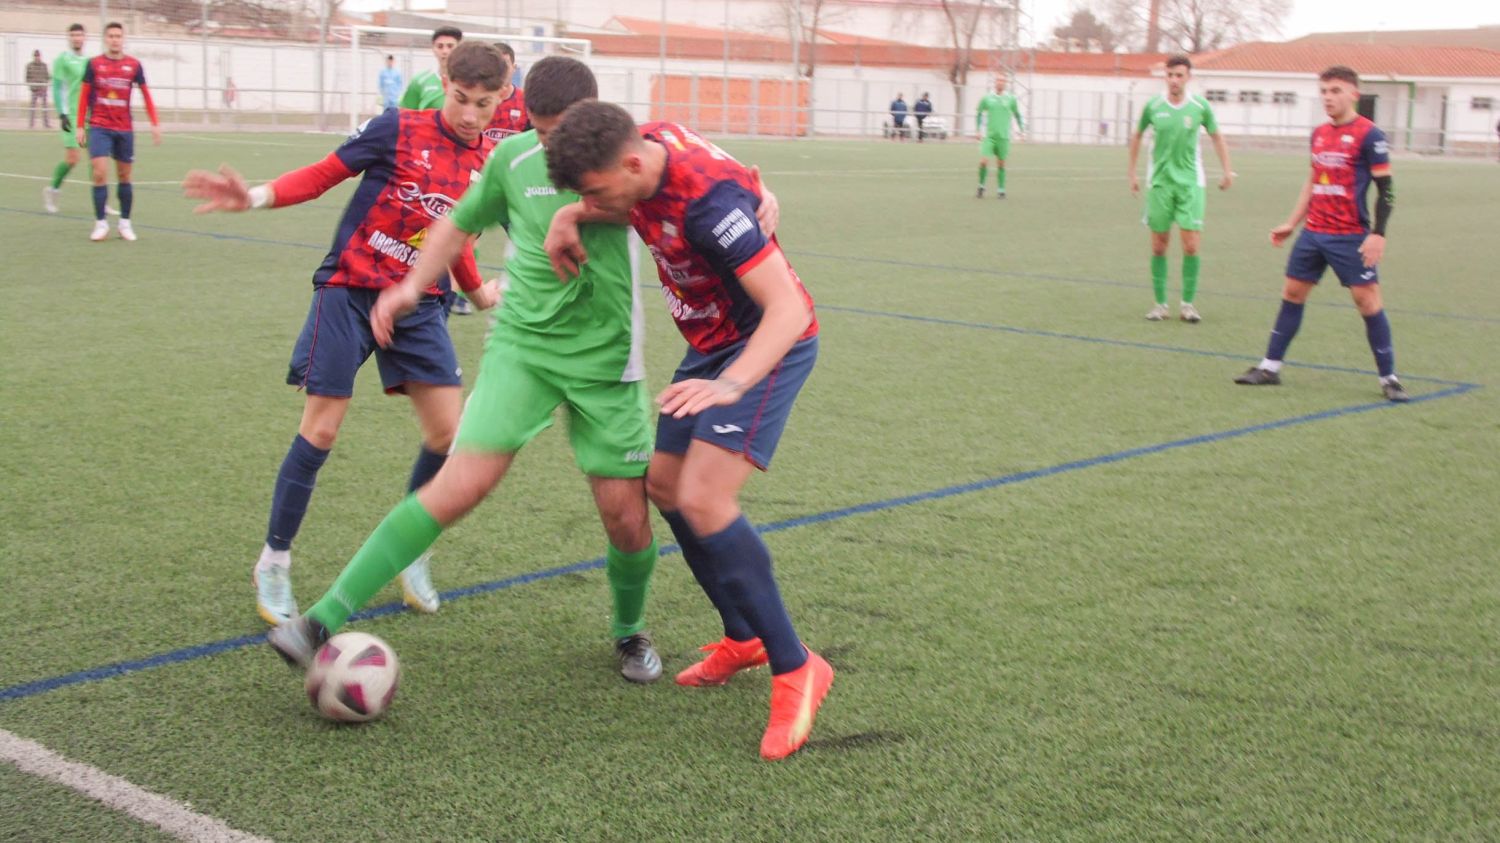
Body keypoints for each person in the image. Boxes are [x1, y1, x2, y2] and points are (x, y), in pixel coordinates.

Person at [263, 56, 772, 686]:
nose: (549, 147)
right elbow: (456, 224)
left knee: (625, 515)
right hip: (522, 350)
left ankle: (629, 630)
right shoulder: (512, 159)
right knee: (457, 486)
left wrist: (759, 192)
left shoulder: (627, 158)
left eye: (558, 132)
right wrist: (410, 286)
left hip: (606, 363)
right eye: (537, 128)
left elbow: (709, 182)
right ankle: (318, 621)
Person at [181, 40, 508, 626]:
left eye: (483, 104)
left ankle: (412, 550)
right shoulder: (396, 128)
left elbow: (456, 233)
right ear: (443, 80)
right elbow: (324, 174)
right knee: (322, 429)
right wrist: (253, 196)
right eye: (461, 99)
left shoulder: (491, 161)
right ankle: (274, 561)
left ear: (502, 98)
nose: (468, 115)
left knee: (447, 437)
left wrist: (478, 290)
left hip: (420, 304)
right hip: (350, 291)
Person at [545, 102, 833, 761]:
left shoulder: (709, 208)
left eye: (594, 190)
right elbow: (733, 173)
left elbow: (787, 308)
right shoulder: (649, 145)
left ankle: (797, 667)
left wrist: (733, 383)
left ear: (633, 163)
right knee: (666, 484)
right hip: (712, 344)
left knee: (705, 496)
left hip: (767, 344)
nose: (596, 203)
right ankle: (742, 637)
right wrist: (571, 213)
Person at [1234, 66, 1408, 403]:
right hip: (1314, 232)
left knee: (1367, 301)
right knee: (1293, 293)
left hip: (1350, 236)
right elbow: (1313, 181)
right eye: (1324, 91)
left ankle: (1390, 378)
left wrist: (1378, 234)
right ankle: (1269, 367)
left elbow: (1387, 189)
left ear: (1353, 94)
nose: (1328, 97)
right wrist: (1292, 222)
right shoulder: (1318, 134)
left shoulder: (1370, 135)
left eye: (1336, 91)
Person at [1127, 54, 1233, 322]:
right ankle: (1160, 304)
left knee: (1191, 245)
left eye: (1179, 75)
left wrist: (1226, 170)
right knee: (1159, 246)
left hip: (1190, 183)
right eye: (1170, 75)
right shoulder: (1154, 106)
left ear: (1188, 77)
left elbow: (1217, 136)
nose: (1174, 80)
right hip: (1160, 183)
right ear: (1166, 77)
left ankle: (1187, 304)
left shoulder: (1199, 106)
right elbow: (1138, 135)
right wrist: (1132, 173)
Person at [75, 21, 161, 242]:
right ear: (105, 39)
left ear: (123, 39)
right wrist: (79, 126)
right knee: (99, 173)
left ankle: (125, 223)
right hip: (99, 126)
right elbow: (84, 96)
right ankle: (101, 223)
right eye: (111, 36)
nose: (115, 39)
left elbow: (146, 94)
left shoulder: (134, 65)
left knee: (124, 175)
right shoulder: (93, 64)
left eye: (118, 36)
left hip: (124, 128)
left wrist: (154, 122)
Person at [44, 24, 89, 214]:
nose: (76, 38)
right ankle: (52, 189)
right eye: (73, 35)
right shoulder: (62, 60)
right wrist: (62, 113)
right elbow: (58, 87)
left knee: (97, 157)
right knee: (72, 158)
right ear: (69, 38)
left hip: (88, 116)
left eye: (79, 35)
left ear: (84, 38)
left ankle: (102, 200)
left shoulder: (89, 61)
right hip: (70, 115)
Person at [975, 76, 1024, 198]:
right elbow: (979, 113)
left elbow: (1017, 114)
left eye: (1003, 81)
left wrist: (1022, 130)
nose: (1000, 82)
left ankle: (1001, 190)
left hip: (1003, 137)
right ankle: (981, 186)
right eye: (998, 80)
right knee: (983, 161)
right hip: (989, 137)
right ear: (995, 83)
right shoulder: (987, 98)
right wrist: (977, 130)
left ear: (1006, 83)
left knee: (1001, 164)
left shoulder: (1011, 99)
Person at [400, 26, 462, 110]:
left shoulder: (470, 81)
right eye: (440, 46)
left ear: (460, 48)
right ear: (433, 49)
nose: (445, 51)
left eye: (450, 46)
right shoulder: (420, 81)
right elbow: (406, 112)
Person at [27, 50, 50, 129]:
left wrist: (45, 87)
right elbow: (27, 78)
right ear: (34, 56)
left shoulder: (44, 65)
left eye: (38, 56)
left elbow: (48, 77)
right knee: (32, 108)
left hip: (43, 90)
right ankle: (31, 124)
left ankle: (46, 124)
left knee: (45, 108)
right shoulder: (29, 66)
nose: (37, 57)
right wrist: (32, 87)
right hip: (34, 90)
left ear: (40, 56)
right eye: (35, 56)